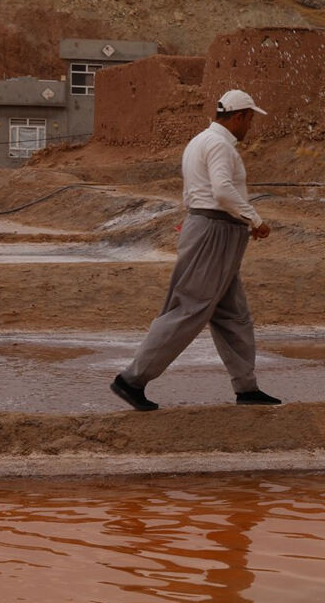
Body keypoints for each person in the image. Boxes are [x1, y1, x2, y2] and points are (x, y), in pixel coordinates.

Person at [110, 89, 281, 411]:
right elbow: (222, 190)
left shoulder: (201, 140)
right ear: (240, 116)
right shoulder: (218, 145)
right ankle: (132, 380)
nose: (250, 128)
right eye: (250, 120)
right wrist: (254, 219)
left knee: (234, 315)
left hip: (216, 232)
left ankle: (247, 388)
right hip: (214, 233)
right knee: (189, 308)